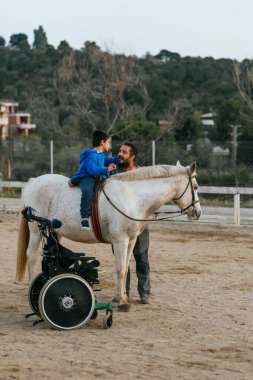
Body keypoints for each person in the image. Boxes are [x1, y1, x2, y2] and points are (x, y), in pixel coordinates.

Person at [112, 142, 151, 304]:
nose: (120, 154)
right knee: (122, 259)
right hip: (119, 225)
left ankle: (144, 292)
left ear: (133, 156)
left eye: (124, 152)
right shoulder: (114, 172)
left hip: (139, 222)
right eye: (120, 151)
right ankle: (124, 291)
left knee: (142, 258)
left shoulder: (141, 175)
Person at [68, 129, 118, 230]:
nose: (109, 144)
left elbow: (107, 160)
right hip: (86, 176)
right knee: (87, 191)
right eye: (107, 142)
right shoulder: (92, 155)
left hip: (94, 176)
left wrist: (119, 159)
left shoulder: (100, 155)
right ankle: (85, 218)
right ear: (102, 142)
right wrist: (106, 169)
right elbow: (92, 170)